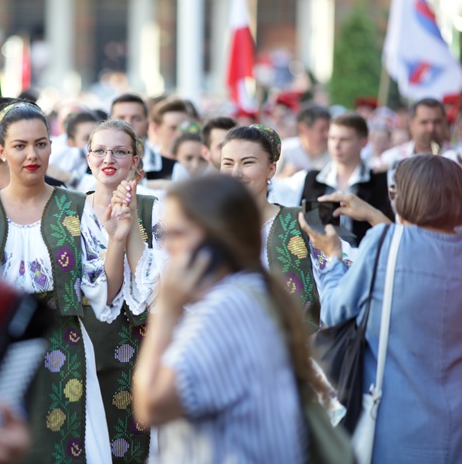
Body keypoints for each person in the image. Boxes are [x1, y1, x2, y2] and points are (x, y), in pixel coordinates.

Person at [0, 101, 122, 463]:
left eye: (40, 144)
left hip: (65, 344)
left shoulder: (77, 207)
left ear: (52, 146)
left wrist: (116, 238)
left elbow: (105, 292)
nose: (32, 155)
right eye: (19, 146)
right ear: (1, 150)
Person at [132, 174, 308, 463]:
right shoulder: (251, 291)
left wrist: (167, 310)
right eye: (163, 234)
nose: (166, 247)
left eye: (178, 234)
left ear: (218, 238)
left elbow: (151, 405)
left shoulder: (227, 307)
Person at [300, 154, 462, 463]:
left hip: (392, 424)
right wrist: (375, 216)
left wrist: (333, 257)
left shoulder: (383, 242)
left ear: (400, 196)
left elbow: (334, 309)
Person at [80, 118, 163, 462]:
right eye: (99, 151)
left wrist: (128, 226)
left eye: (119, 151)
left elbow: (152, 289)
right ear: (88, 157)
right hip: (85, 342)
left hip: (140, 344)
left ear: (134, 160)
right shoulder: (70, 211)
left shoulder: (154, 208)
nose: (108, 159)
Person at [220, 125, 353, 331]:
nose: (236, 173)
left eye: (247, 163)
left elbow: (350, 273)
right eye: (228, 163)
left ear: (271, 169)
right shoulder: (205, 225)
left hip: (297, 345)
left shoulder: (307, 217)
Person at [275, 113, 394, 245]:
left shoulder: (383, 180)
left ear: (363, 142)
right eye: (332, 138)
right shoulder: (310, 179)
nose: (336, 145)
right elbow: (275, 195)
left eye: (344, 139)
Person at [371, 98, 454, 172]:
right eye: (424, 122)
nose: (431, 128)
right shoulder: (392, 158)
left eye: (437, 122)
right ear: (411, 124)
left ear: (445, 123)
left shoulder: (455, 159)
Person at [276, 104, 331, 178]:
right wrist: (286, 177)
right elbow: (271, 181)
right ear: (303, 129)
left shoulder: (333, 153)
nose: (327, 134)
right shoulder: (286, 150)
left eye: (329, 129)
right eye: (322, 130)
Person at [146, 98, 190, 181]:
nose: (180, 133)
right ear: (155, 129)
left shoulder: (203, 163)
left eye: (183, 127)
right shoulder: (147, 167)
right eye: (173, 128)